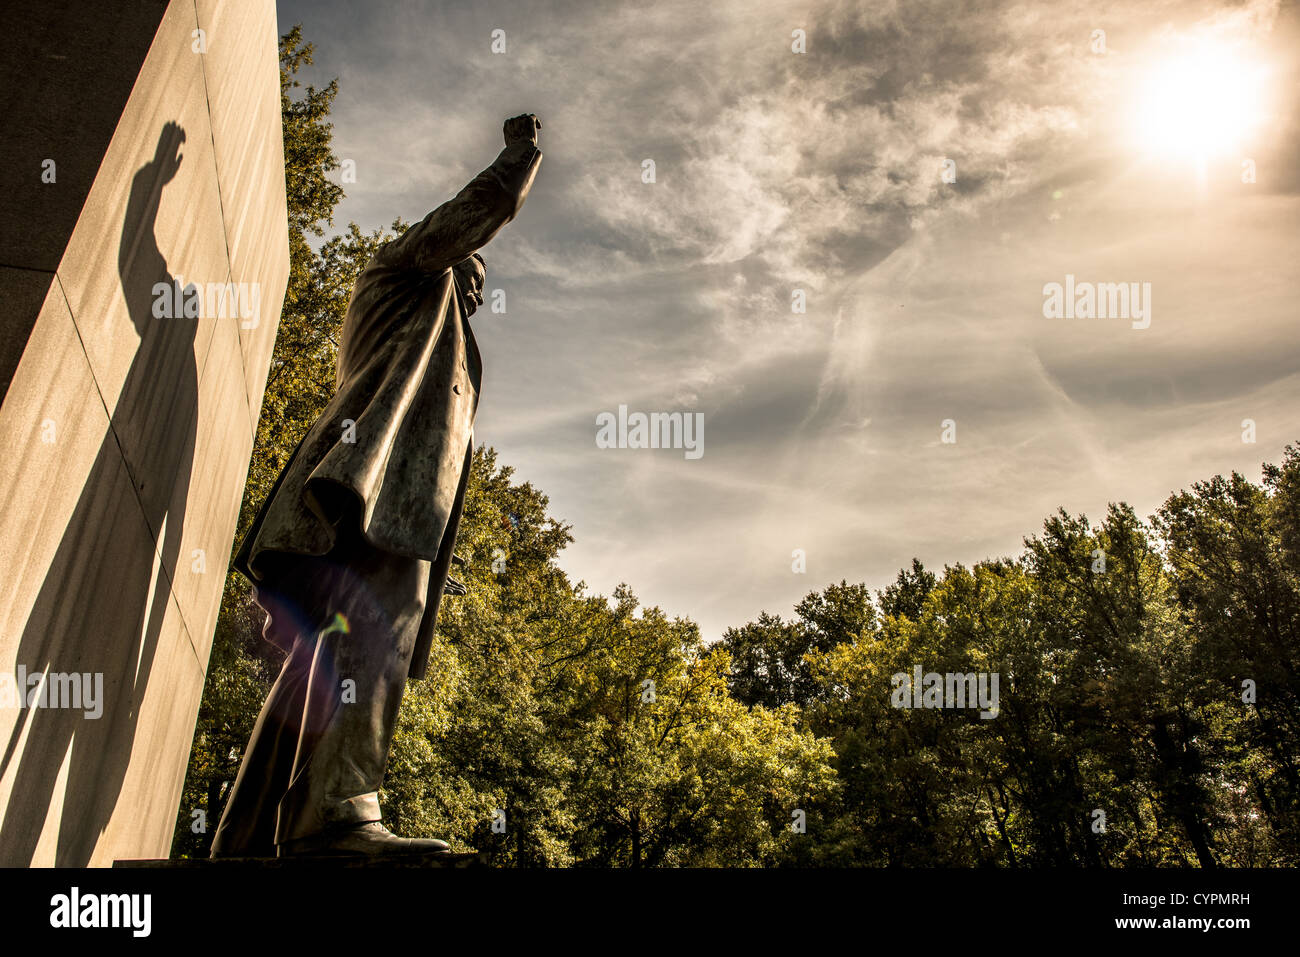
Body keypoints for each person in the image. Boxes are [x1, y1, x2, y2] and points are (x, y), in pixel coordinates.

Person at [210, 114, 543, 858]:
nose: (477, 290)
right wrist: (519, 156)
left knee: (319, 663)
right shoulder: (402, 273)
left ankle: (249, 830)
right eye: (473, 274)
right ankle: (341, 812)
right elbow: (472, 214)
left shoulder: (428, 316)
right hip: (369, 502)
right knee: (383, 628)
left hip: (369, 507)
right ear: (446, 255)